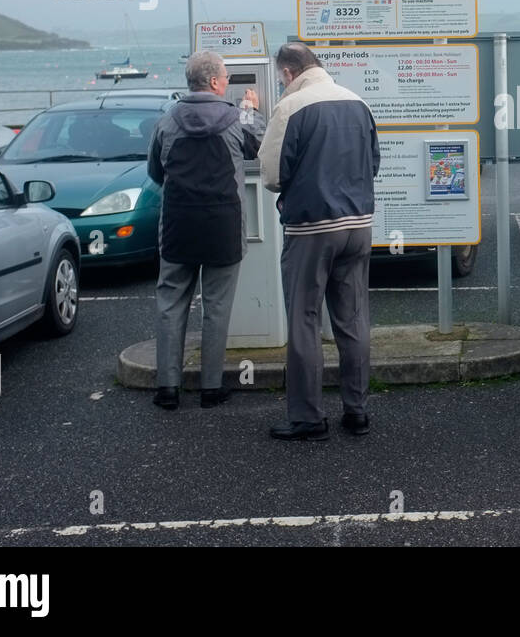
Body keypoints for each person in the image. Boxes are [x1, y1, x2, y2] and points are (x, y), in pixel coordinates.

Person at [259, 42, 379, 441]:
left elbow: (273, 174)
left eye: (281, 79)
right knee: (353, 317)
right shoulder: (358, 102)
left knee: (304, 320)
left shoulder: (291, 108)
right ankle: (357, 410)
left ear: (288, 72)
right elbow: (373, 163)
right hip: (358, 226)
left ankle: (309, 417)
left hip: (311, 229)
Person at [148, 51, 265, 410]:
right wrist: (251, 109)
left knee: (170, 304)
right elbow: (259, 146)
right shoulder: (235, 119)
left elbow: (155, 172)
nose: (228, 82)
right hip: (222, 226)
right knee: (216, 307)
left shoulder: (167, 121)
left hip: (178, 226)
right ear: (214, 82)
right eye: (227, 77)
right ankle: (211, 388)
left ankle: (168, 388)